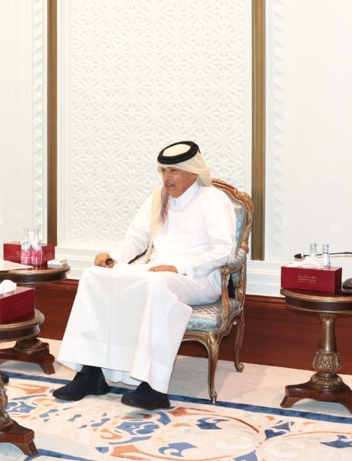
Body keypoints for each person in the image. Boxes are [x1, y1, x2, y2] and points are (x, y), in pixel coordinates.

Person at [53, 141, 236, 409]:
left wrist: (180, 267)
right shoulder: (158, 197)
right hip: (156, 272)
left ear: (192, 173)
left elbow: (225, 252)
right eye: (164, 171)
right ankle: (90, 372)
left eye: (173, 171)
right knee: (95, 276)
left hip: (197, 278)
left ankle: (154, 388)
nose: (166, 178)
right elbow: (137, 237)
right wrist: (114, 258)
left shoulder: (213, 199)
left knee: (159, 284)